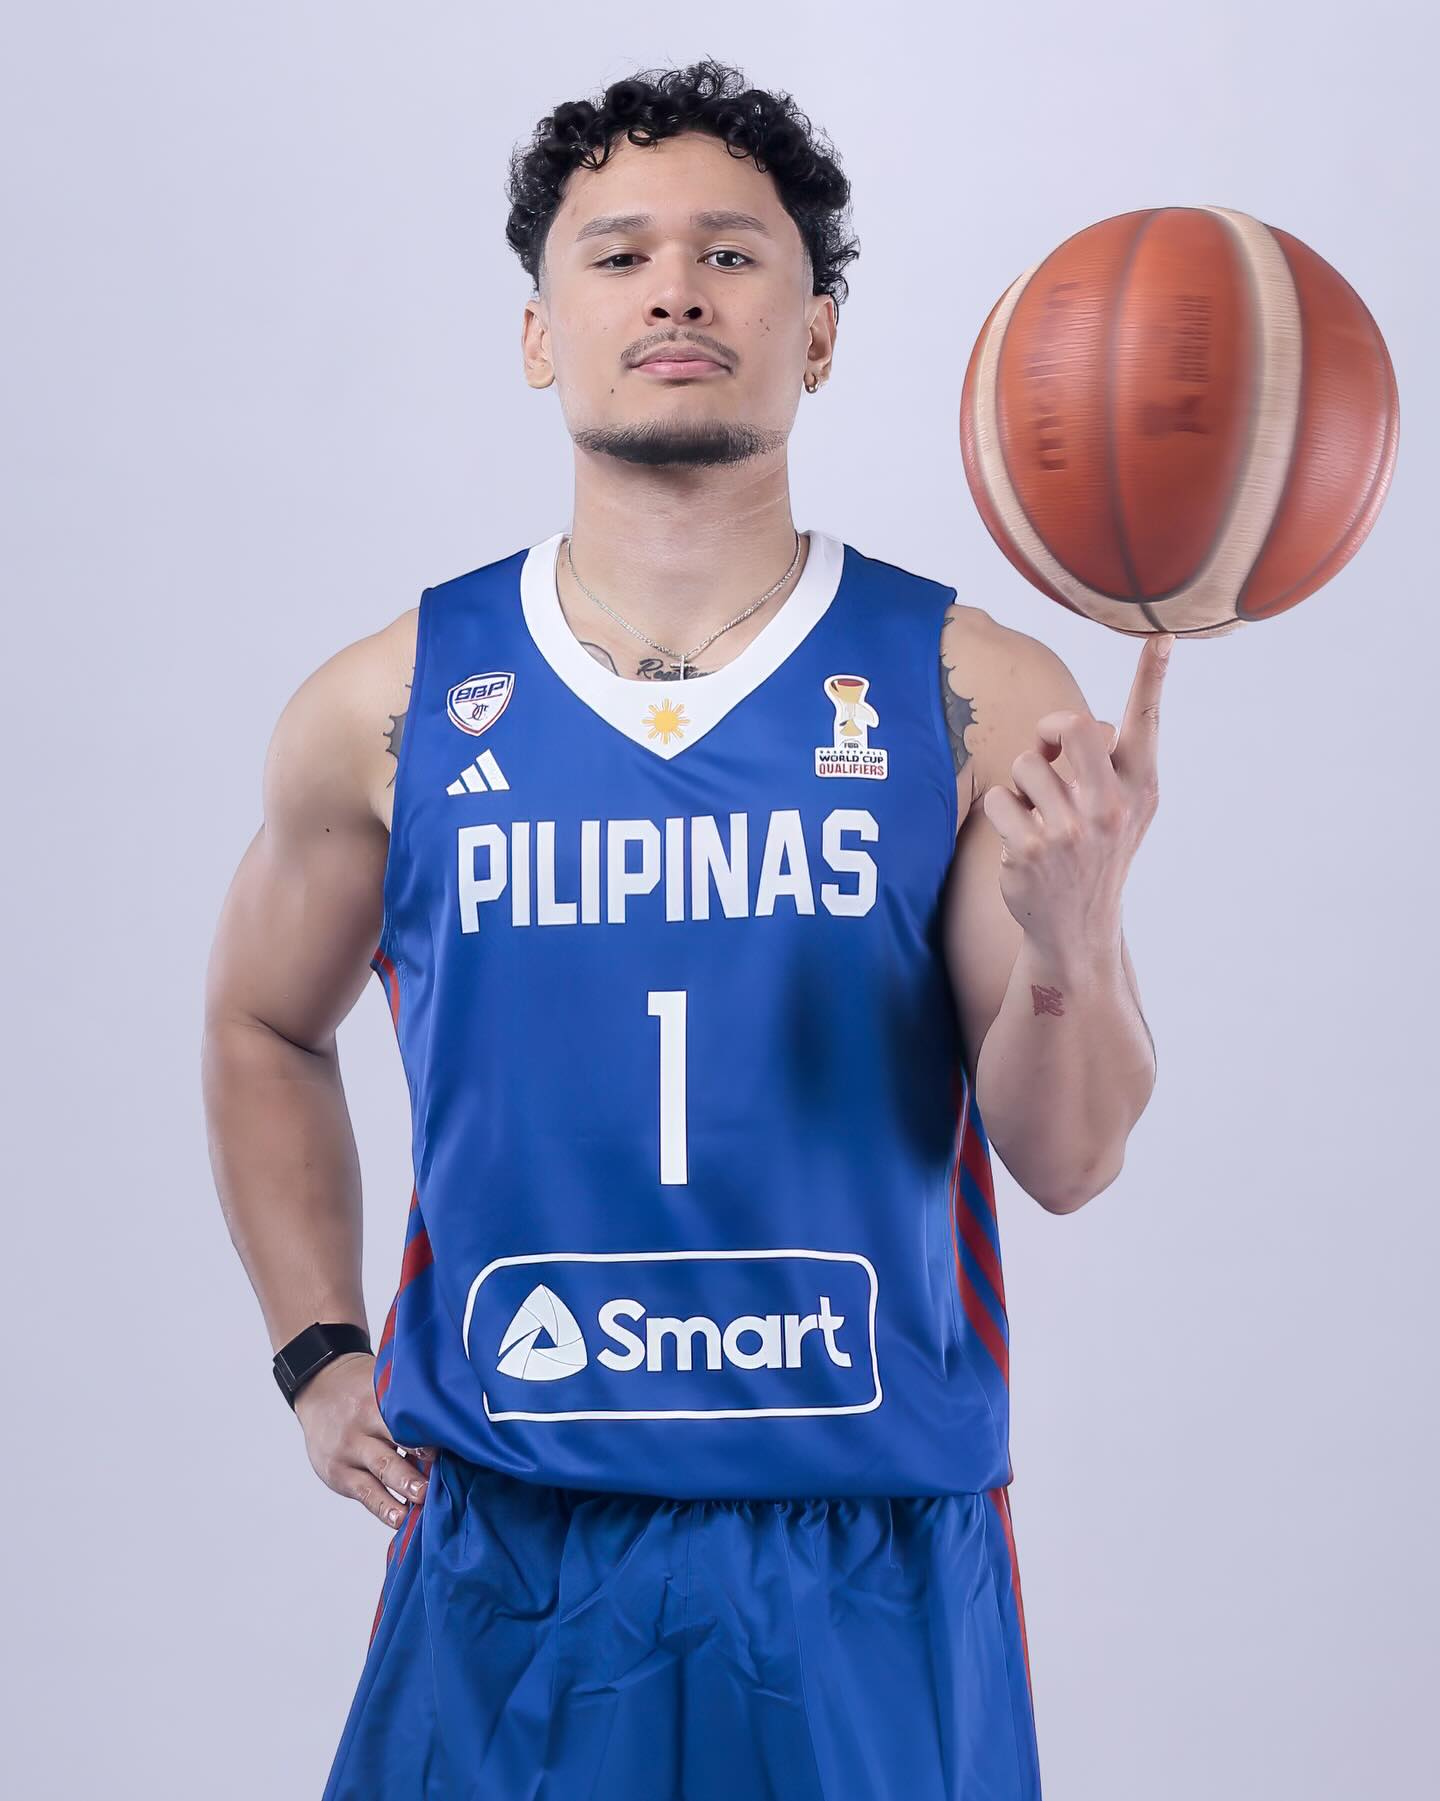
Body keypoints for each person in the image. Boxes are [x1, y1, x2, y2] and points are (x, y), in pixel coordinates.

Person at [202, 57, 1167, 1801]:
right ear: (538, 332)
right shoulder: (388, 710)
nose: (675, 289)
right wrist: (318, 1348)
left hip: (868, 1535)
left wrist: (1072, 941)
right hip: (511, 1535)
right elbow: (262, 1022)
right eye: (619, 253)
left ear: (818, 332)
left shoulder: (968, 692)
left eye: (731, 253)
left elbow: (1073, 1154)